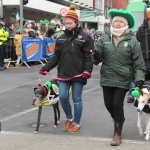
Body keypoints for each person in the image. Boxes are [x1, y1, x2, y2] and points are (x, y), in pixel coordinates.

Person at [92, 9, 146, 146]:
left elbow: (139, 64)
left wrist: (139, 82)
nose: (117, 24)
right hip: (107, 77)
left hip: (123, 78)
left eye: (120, 22)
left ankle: (117, 132)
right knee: (108, 104)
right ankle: (119, 120)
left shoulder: (132, 40)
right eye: (115, 21)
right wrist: (96, 56)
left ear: (125, 24)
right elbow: (95, 59)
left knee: (117, 104)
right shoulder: (104, 38)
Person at [39, 4, 94, 133]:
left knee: (77, 98)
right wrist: (45, 68)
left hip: (79, 74)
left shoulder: (85, 38)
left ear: (76, 22)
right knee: (63, 97)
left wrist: (87, 71)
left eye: (70, 23)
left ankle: (77, 123)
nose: (67, 25)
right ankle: (69, 117)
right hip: (63, 73)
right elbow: (56, 57)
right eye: (66, 23)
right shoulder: (61, 38)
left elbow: (88, 57)